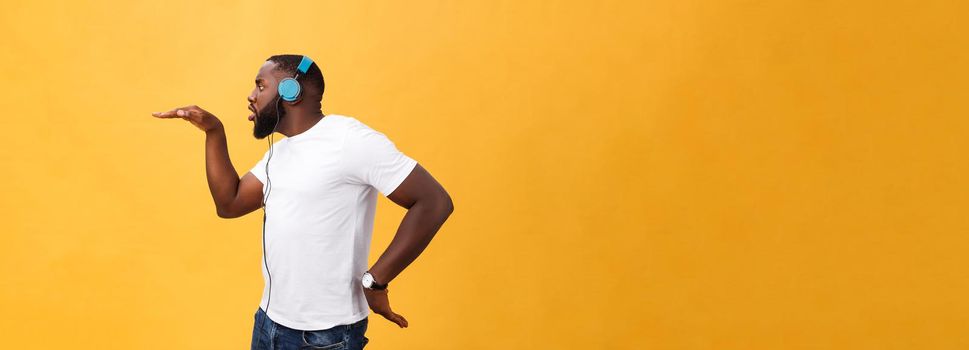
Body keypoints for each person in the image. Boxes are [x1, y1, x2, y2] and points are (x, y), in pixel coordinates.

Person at [151, 54, 454, 350]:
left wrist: (376, 280)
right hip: (269, 323)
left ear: (290, 92)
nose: (251, 95)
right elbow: (229, 203)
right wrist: (214, 131)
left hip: (325, 336)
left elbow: (434, 202)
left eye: (260, 85)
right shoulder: (279, 153)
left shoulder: (349, 140)